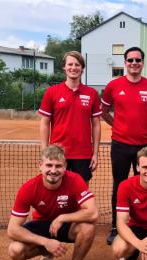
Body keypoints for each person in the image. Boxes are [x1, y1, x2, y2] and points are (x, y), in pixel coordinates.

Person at [7, 145, 99, 260]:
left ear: (65, 167)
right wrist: (46, 242)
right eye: (49, 165)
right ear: (40, 166)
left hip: (67, 226)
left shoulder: (75, 180)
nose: (53, 170)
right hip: (41, 225)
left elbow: (93, 213)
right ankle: (46, 253)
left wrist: (62, 217)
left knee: (89, 227)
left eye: (58, 166)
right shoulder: (28, 188)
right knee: (15, 250)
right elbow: (12, 230)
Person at [102, 46, 147, 244]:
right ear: (125, 63)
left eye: (138, 60)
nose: (134, 63)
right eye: (130, 60)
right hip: (119, 145)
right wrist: (118, 126)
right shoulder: (113, 86)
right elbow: (104, 112)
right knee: (119, 186)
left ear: (143, 63)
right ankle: (115, 227)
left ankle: (140, 226)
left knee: (144, 186)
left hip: (144, 146)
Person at [39, 51, 101, 185]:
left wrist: (95, 153)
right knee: (56, 192)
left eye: (77, 65)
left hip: (83, 154)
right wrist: (45, 152)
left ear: (82, 68)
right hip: (58, 154)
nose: (73, 68)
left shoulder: (92, 94)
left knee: (82, 194)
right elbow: (45, 123)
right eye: (70, 64)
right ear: (64, 67)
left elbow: (96, 124)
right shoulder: (52, 92)